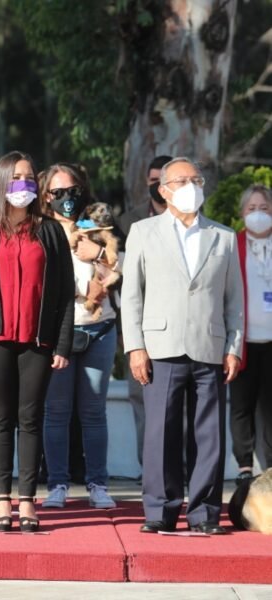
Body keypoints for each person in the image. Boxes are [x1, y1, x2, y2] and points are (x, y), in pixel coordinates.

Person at [122, 157, 244, 535]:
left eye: (196, 179)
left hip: (209, 344)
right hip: (160, 345)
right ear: (163, 190)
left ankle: (205, 512)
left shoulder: (223, 236)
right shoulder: (143, 232)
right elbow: (131, 297)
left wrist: (234, 346)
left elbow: (234, 301)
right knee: (161, 431)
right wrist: (135, 347)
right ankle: (160, 509)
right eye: (181, 180)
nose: (191, 186)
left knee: (208, 435)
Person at [0, 151, 73, 533]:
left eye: (29, 177)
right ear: (1, 181)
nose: (23, 184)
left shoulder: (50, 230)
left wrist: (62, 344)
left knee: (31, 418)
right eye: (16, 177)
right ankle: (1, 499)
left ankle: (27, 500)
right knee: (1, 419)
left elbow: (65, 294)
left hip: (38, 341)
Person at [38, 163, 118, 510]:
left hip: (100, 328)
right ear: (45, 196)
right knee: (56, 412)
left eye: (72, 191)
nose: (66, 198)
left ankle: (97, 483)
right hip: (59, 332)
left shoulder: (97, 226)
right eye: (58, 193)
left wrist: (97, 253)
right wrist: (78, 288)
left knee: (94, 412)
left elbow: (120, 268)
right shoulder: (39, 230)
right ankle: (57, 484)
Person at [118, 155, 172, 468]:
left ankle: (182, 470)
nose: (156, 186)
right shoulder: (130, 222)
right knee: (141, 398)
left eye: (160, 181)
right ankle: (149, 469)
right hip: (139, 325)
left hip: (178, 326)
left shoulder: (195, 221)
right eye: (151, 181)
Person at [230, 184, 272, 480]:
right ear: (242, 213)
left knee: (270, 407)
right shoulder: (233, 245)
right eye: (252, 209)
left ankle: (270, 467)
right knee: (242, 406)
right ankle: (245, 466)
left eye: (265, 208)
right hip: (243, 341)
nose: (258, 214)